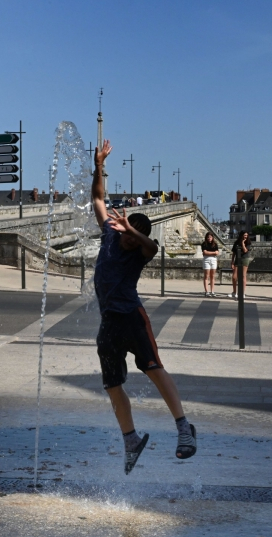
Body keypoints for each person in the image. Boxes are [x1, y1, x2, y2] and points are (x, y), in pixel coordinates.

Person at [92, 140, 196, 475]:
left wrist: (135, 234)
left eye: (131, 238)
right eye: (124, 234)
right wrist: (99, 165)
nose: (126, 241)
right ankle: (131, 440)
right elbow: (97, 199)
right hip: (109, 320)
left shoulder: (141, 250)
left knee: (153, 367)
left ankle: (183, 428)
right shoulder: (110, 232)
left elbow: (154, 247)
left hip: (132, 318)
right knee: (111, 383)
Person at [228, 230, 252, 299]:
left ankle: (242, 293)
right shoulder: (236, 243)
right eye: (244, 235)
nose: (246, 237)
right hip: (237, 260)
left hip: (244, 259)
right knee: (234, 277)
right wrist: (232, 262)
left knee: (243, 276)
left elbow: (245, 251)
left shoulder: (248, 243)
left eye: (247, 235)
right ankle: (234, 292)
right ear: (241, 235)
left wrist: (243, 243)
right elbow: (234, 253)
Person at [201, 232, 219, 297]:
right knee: (206, 276)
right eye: (208, 237)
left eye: (210, 237)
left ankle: (212, 291)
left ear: (212, 238)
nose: (209, 238)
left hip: (213, 260)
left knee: (212, 276)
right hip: (206, 260)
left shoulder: (215, 244)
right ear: (206, 238)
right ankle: (206, 291)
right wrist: (213, 252)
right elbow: (204, 252)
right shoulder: (204, 244)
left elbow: (217, 253)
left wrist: (208, 253)